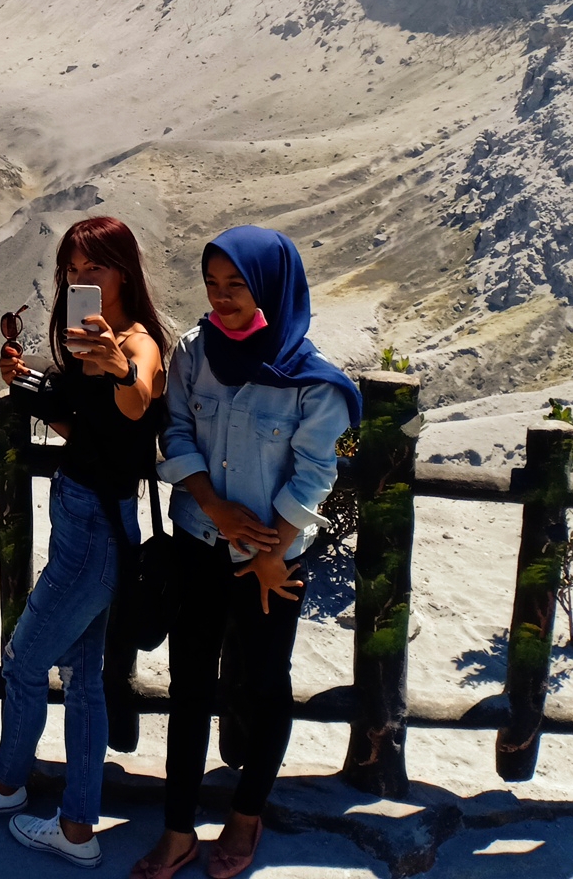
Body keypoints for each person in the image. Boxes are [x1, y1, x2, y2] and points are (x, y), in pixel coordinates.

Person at [0, 215, 168, 869]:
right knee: (84, 682)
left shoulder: (137, 341)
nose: (82, 278)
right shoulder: (89, 342)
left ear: (126, 271)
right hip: (96, 521)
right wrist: (24, 378)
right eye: (73, 266)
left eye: (97, 267)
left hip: (93, 532)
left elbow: (138, 396)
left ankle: (6, 783)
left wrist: (124, 368)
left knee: (24, 657)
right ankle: (77, 828)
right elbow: (84, 424)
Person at [130, 226, 360, 879]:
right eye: (212, 284)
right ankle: (177, 831)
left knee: (262, 684)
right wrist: (215, 505)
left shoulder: (313, 382)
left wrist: (269, 554)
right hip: (201, 545)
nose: (222, 298)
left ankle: (245, 814)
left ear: (270, 288)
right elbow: (175, 430)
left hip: (272, 563)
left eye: (238, 285)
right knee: (190, 686)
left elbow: (315, 474)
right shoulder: (194, 355)